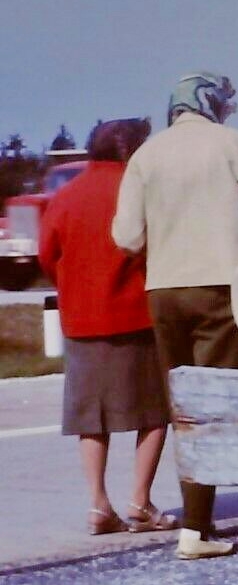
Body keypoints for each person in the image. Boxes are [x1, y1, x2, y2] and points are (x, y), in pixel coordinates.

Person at [113, 72, 238, 559]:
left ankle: (197, 518)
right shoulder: (234, 144)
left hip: (164, 288)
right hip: (220, 284)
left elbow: (126, 236)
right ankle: (196, 528)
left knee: (183, 402)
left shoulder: (146, 156)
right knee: (210, 401)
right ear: (212, 103)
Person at [39, 117, 178, 536]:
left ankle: (98, 504)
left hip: (82, 319)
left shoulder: (65, 196)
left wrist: (72, 284)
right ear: (132, 151)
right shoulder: (141, 189)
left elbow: (48, 254)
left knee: (91, 417)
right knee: (155, 411)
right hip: (138, 315)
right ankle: (140, 500)